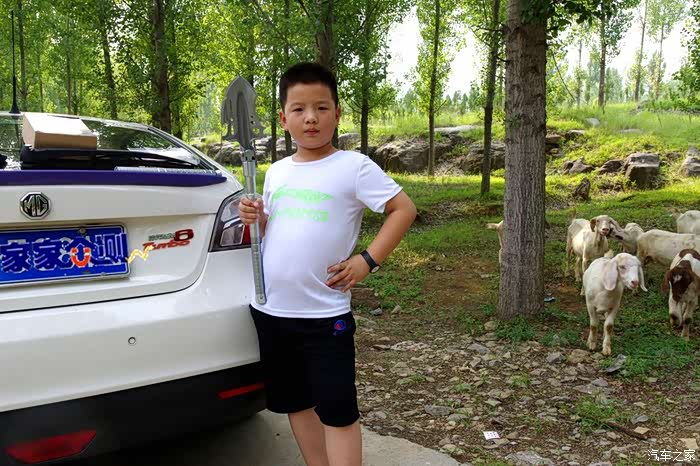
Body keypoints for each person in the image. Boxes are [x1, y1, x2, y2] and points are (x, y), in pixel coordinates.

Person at [239, 61, 416, 466]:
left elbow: (403, 209)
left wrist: (367, 260)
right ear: (283, 119)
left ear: (337, 113)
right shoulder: (277, 172)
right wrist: (257, 219)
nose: (311, 118)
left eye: (321, 108)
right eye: (299, 109)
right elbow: (272, 232)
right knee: (295, 402)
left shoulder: (353, 167)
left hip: (323, 315)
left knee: (337, 410)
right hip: (271, 310)